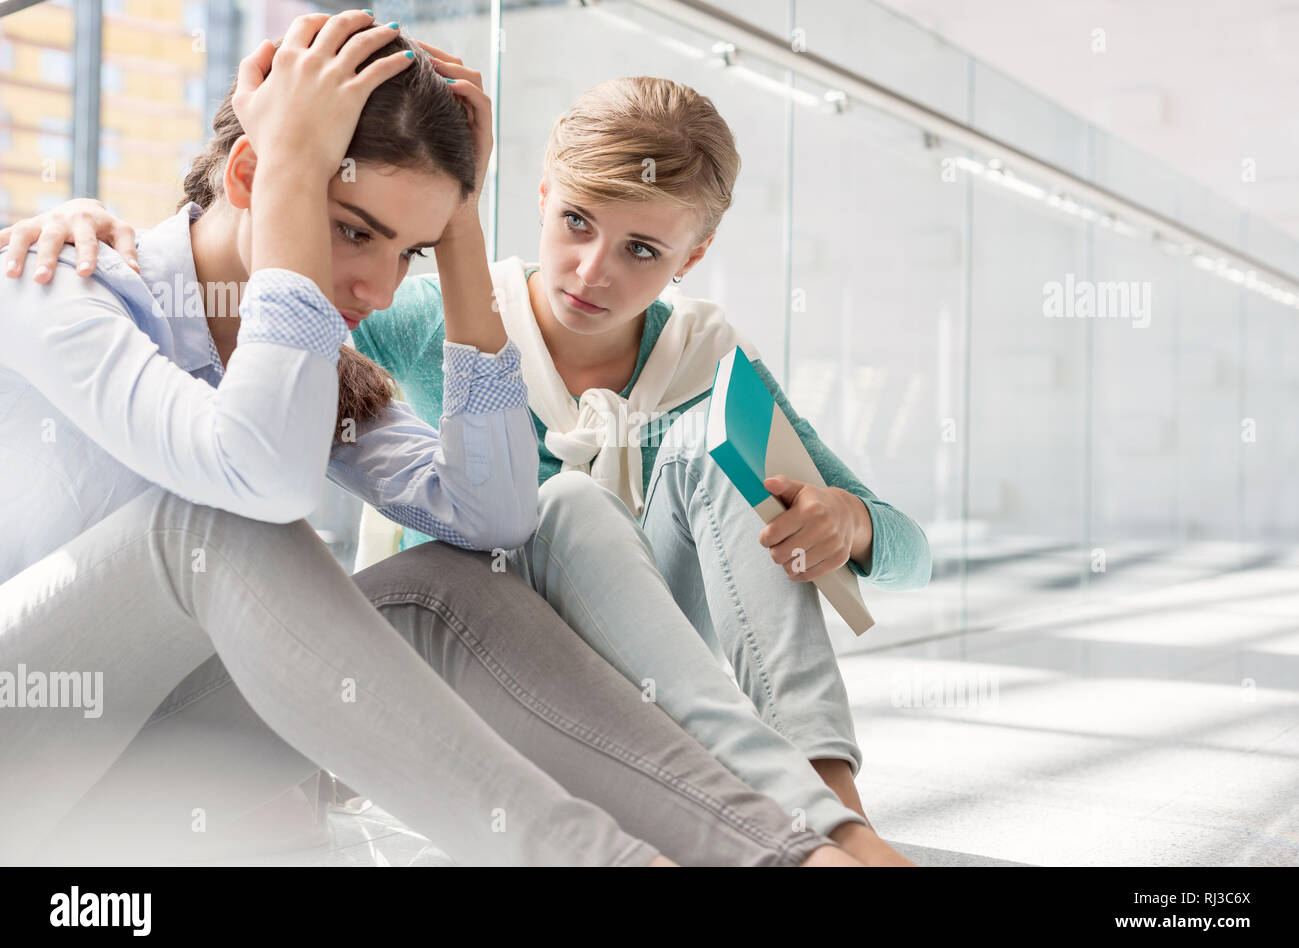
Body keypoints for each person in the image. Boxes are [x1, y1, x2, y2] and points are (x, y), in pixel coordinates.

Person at [0, 11, 866, 867]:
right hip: (23, 760)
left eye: (405, 250)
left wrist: (460, 232)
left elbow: (493, 519)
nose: (377, 289)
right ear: (251, 174)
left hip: (144, 776)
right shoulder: (60, 286)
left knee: (457, 581)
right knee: (211, 528)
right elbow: (257, 480)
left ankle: (790, 854)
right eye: (351, 229)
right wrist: (298, 172)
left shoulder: (317, 368)